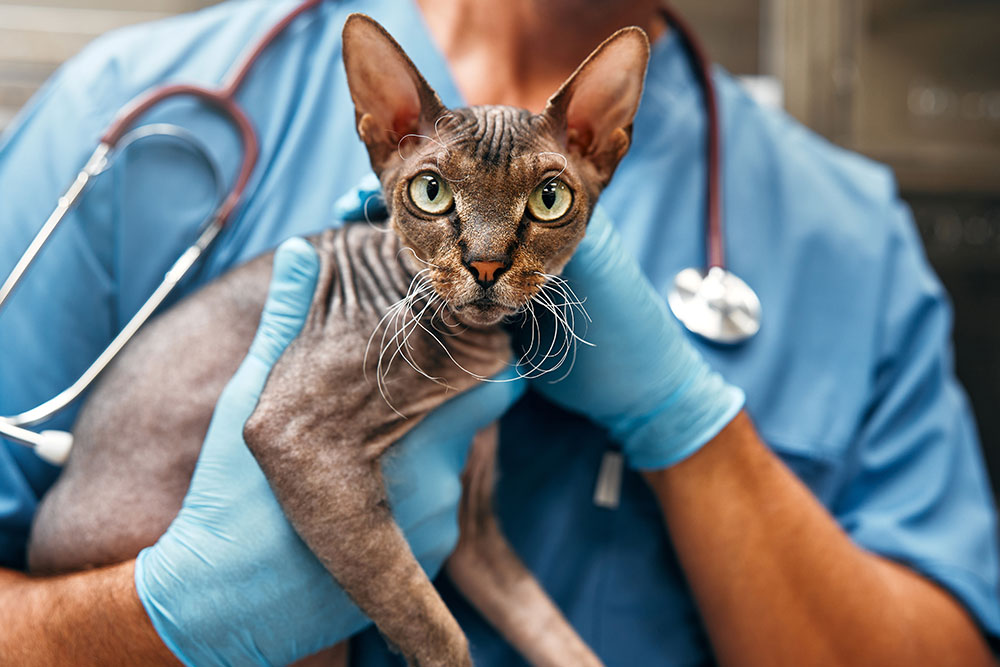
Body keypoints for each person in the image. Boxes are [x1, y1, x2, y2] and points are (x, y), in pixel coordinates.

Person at [0, 0, 996, 664]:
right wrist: (151, 618)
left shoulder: (846, 230)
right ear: (384, 131)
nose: (481, 261)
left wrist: (687, 423)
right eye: (430, 190)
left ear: (605, 141)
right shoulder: (130, 109)